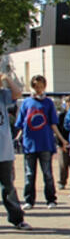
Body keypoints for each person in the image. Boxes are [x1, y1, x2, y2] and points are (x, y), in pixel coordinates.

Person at [16, 75, 68, 210]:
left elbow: (53, 124)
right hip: (29, 143)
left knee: (47, 173)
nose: (38, 89)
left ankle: (51, 199)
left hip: (45, 143)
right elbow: (22, 123)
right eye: (35, 86)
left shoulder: (48, 103)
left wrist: (61, 139)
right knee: (29, 174)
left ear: (44, 86)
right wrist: (18, 137)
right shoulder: (26, 102)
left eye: (40, 86)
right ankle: (29, 200)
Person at [0, 72, 31, 229]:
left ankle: (17, 219)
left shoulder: (2, 95)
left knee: (8, 187)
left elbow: (17, 93)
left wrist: (6, 78)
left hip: (3, 151)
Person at [56, 94, 70, 190]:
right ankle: (62, 181)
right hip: (63, 142)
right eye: (68, 102)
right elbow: (58, 130)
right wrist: (60, 143)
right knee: (63, 164)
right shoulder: (61, 116)